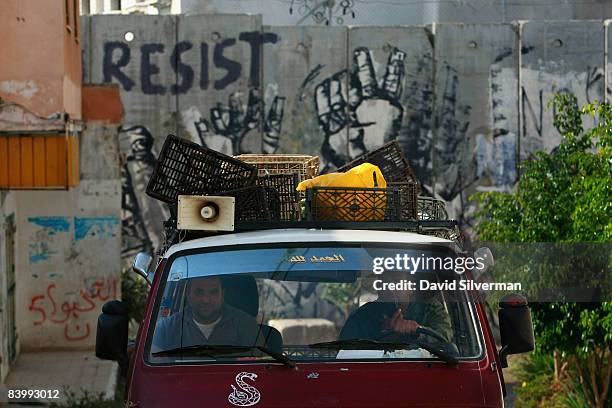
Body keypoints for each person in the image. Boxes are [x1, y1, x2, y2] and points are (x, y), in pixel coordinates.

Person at [152, 276, 263, 352]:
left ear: (222, 294)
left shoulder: (246, 325)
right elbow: (152, 372)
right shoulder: (167, 328)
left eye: (213, 292)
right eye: (199, 292)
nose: (205, 300)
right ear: (188, 294)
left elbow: (260, 369)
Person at [339, 272, 453, 343]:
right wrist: (380, 335)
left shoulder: (429, 308)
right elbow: (344, 351)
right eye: (385, 282)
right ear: (378, 287)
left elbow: (445, 336)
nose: (391, 288)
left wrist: (418, 332)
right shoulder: (363, 316)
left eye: (397, 282)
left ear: (411, 286)